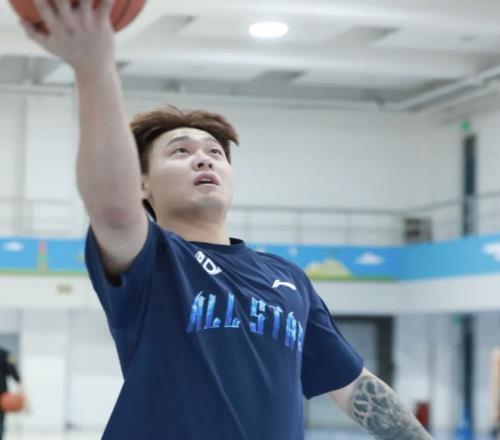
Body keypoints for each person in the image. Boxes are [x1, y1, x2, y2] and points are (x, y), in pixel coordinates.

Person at [22, 1, 433, 438]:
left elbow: (352, 386)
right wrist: (95, 67)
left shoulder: (288, 278)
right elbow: (113, 209)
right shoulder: (153, 261)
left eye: (215, 152)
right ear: (141, 184)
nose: (203, 159)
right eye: (181, 151)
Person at [0, 348, 24, 440]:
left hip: (2, 396)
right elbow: (15, 374)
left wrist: (23, 394)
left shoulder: (5, 354)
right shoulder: (5, 354)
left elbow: (15, 373)